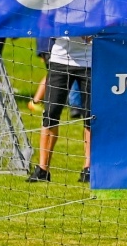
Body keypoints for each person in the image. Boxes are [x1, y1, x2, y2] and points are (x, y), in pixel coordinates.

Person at [29, 34, 92, 183]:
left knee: (91, 116)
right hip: (60, 60)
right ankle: (43, 169)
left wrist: (93, 29)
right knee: (50, 113)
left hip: (91, 60)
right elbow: (47, 22)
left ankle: (88, 168)